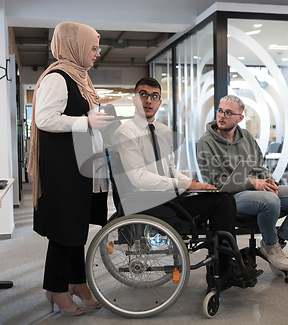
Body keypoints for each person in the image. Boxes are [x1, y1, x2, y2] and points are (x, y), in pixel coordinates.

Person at [112, 77, 259, 286]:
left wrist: (194, 183)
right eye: (143, 95)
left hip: (168, 198)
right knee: (221, 203)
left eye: (154, 96)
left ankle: (222, 266)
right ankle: (224, 269)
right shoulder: (126, 132)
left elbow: (171, 170)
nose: (148, 101)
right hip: (146, 203)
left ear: (159, 102)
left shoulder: (162, 131)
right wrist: (187, 185)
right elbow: (138, 178)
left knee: (221, 197)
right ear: (134, 99)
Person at [28, 21, 115, 317]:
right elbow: (44, 118)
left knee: (76, 228)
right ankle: (55, 288)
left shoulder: (80, 77)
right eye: (93, 47)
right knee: (64, 231)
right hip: (63, 169)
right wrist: (86, 122)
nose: (97, 53)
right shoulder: (59, 77)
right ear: (75, 47)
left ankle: (77, 283)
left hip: (80, 166)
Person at [197, 95, 288, 274]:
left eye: (228, 113)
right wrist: (252, 182)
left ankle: (277, 241)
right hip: (228, 197)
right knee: (269, 200)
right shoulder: (206, 142)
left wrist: (268, 180)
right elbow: (216, 182)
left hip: (256, 189)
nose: (222, 116)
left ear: (240, 118)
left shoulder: (245, 136)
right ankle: (270, 245)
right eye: (220, 111)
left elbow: (258, 166)